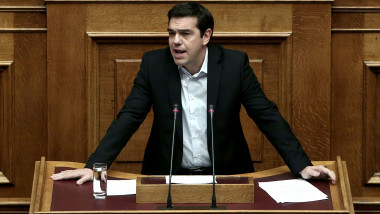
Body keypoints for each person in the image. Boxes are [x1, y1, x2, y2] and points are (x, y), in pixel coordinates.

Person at [51, 2, 336, 185]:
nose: (176, 41)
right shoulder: (154, 64)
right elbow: (129, 116)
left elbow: (266, 115)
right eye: (171, 33)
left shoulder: (234, 65)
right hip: (166, 175)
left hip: (227, 175)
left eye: (185, 33)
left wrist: (302, 166)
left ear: (206, 36)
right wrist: (95, 166)